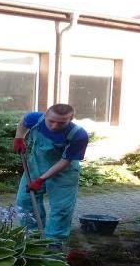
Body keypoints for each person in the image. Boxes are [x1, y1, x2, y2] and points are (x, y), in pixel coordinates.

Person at [13, 104, 88, 251]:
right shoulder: (35, 118)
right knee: (25, 201)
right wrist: (19, 138)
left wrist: (41, 180)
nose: (54, 126)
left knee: (61, 208)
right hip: (36, 165)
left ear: (71, 119)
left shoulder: (78, 135)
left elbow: (65, 161)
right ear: (45, 116)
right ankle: (32, 237)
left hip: (64, 173)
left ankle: (54, 242)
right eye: (51, 121)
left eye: (61, 123)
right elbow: (23, 122)